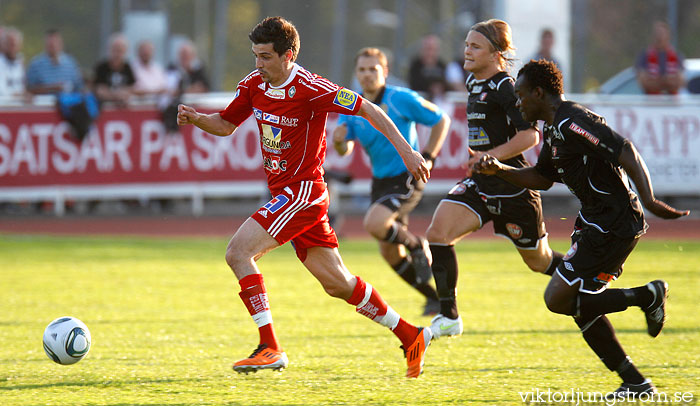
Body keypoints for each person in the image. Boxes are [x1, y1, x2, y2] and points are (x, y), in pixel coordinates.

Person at [177, 16, 433, 378]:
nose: (258, 64)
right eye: (255, 56)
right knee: (338, 283)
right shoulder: (253, 85)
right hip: (287, 195)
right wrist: (196, 118)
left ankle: (270, 346)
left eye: (265, 57)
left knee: (238, 252)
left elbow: (369, 109)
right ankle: (411, 335)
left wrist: (408, 152)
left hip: (303, 193)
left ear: (288, 55)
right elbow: (224, 125)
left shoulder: (312, 87)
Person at [474, 58, 689, 397]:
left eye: (520, 95)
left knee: (558, 298)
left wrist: (648, 198)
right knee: (580, 306)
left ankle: (647, 296)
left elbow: (625, 150)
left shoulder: (573, 121)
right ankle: (635, 382)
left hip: (614, 222)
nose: (517, 103)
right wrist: (498, 169)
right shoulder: (554, 128)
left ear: (539, 92)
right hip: (596, 222)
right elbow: (542, 178)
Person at [425, 19, 565, 338]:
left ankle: (587, 275)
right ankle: (448, 316)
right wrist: (481, 160)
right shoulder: (474, 83)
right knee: (437, 233)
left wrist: (492, 157)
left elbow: (530, 136)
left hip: (513, 186)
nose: (467, 51)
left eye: (475, 46)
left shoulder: (505, 86)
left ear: (496, 54)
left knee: (539, 262)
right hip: (481, 183)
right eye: (466, 45)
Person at [333, 47, 450, 316]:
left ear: (385, 72)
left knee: (374, 223)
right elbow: (345, 150)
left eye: (373, 69)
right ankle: (435, 299)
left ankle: (417, 245)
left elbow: (441, 119)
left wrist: (429, 156)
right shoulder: (352, 107)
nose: (367, 75)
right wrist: (340, 141)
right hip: (381, 182)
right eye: (362, 70)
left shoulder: (400, 98)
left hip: (407, 176)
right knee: (389, 252)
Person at [26, 29, 83, 95]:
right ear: (45, 44)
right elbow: (30, 89)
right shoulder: (35, 64)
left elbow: (79, 87)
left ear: (61, 44)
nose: (54, 46)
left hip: (68, 103)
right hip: (44, 103)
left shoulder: (71, 63)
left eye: (56, 43)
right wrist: (52, 88)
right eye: (50, 44)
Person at [636, 21, 685, 95]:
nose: (660, 37)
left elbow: (680, 82)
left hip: (672, 102)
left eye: (662, 34)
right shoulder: (644, 56)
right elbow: (643, 82)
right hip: (651, 101)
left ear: (668, 36)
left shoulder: (676, 55)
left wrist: (656, 82)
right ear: (652, 36)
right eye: (657, 34)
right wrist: (666, 81)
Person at [93, 33, 135, 106]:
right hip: (103, 106)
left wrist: (124, 94)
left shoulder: (128, 67)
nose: (117, 54)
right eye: (115, 50)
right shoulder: (102, 67)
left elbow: (132, 88)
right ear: (110, 49)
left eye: (120, 50)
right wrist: (116, 96)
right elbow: (99, 90)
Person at [408, 34, 447, 101]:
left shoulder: (442, 66)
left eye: (433, 49)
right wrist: (430, 88)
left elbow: (447, 84)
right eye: (428, 49)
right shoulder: (415, 65)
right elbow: (414, 84)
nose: (430, 53)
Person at [0, 27, 25, 98]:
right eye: (8, 44)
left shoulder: (20, 62)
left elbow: (22, 86)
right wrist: (21, 96)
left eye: (13, 45)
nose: (11, 48)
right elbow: (2, 91)